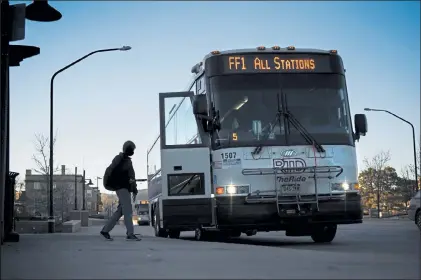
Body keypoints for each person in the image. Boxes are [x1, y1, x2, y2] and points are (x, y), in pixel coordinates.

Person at [100, 140, 140, 241]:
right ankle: (130, 234)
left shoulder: (119, 159)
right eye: (132, 149)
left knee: (121, 211)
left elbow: (130, 176)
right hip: (122, 188)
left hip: (119, 187)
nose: (133, 151)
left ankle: (105, 230)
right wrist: (134, 189)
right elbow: (131, 177)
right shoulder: (125, 161)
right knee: (128, 210)